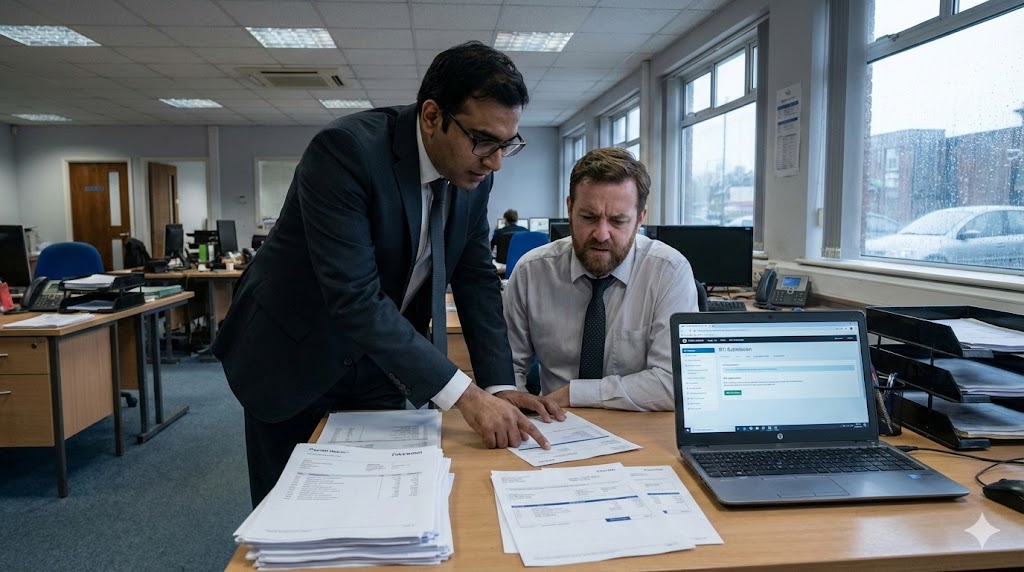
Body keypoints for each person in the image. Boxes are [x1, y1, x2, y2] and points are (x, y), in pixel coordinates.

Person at [213, 41, 559, 507]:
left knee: (379, 500)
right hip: (293, 352)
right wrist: (467, 397)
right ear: (433, 116)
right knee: (291, 517)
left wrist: (499, 386)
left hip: (380, 360)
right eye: (482, 141)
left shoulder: (476, 174)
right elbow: (355, 297)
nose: (495, 161)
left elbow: (476, 279)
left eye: (506, 145)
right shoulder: (346, 153)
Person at [499, 147, 698, 412]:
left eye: (617, 221)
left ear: (640, 218)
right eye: (589, 217)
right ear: (570, 209)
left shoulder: (668, 272)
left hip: (640, 430)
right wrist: (518, 414)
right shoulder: (531, 273)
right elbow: (508, 371)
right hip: (555, 426)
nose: (602, 234)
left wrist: (576, 393)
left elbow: (674, 382)